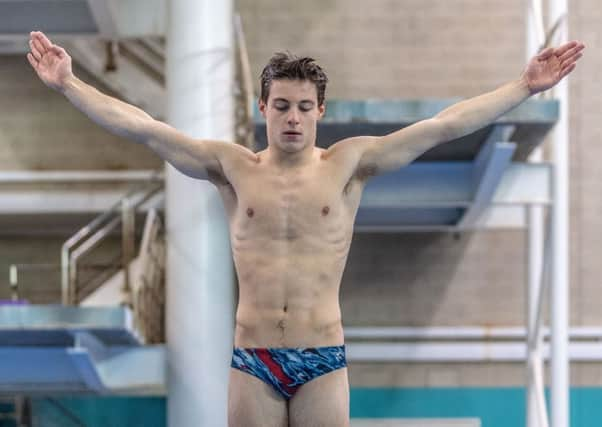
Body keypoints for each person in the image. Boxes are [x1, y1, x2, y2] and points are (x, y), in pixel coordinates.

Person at [27, 30, 584, 427]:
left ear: (320, 111)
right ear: (263, 108)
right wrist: (70, 86)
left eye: (304, 107)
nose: (293, 118)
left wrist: (523, 87)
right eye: (282, 106)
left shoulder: (349, 164)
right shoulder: (231, 167)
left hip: (322, 357)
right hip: (253, 358)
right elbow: (146, 129)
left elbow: (441, 126)